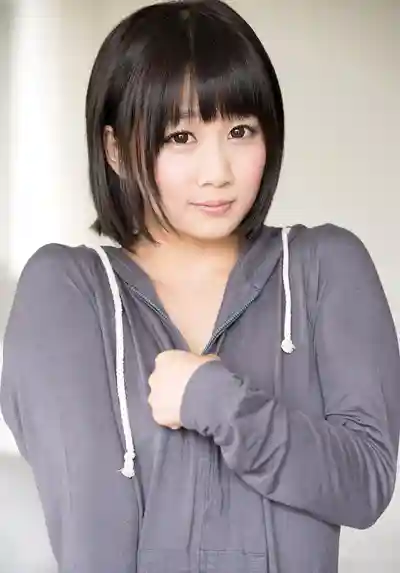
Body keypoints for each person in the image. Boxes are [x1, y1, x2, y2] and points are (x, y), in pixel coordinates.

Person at [1, 1, 400, 572]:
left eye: (240, 131)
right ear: (115, 150)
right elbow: (90, 529)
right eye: (181, 136)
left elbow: (365, 484)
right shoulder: (68, 291)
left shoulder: (324, 268)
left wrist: (217, 401)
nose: (218, 172)